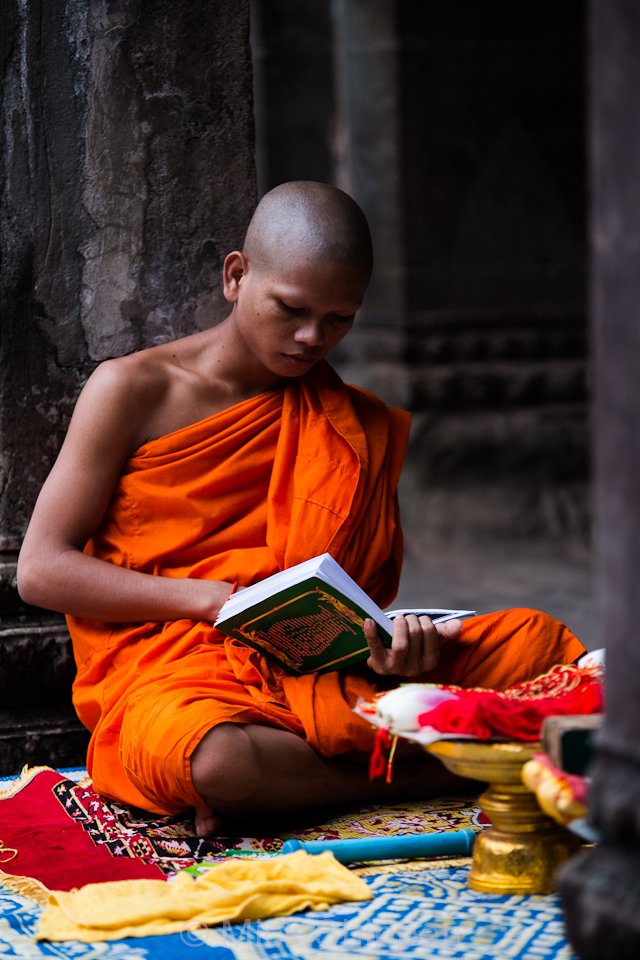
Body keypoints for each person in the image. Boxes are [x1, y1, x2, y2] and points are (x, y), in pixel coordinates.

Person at [17, 181, 585, 836]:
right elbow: (42, 571)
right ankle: (449, 762)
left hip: (320, 672)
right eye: (290, 309)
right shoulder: (132, 390)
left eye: (339, 319)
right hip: (176, 666)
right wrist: (210, 600)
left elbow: (351, 600)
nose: (312, 337)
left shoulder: (353, 421)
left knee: (540, 648)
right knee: (216, 758)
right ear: (237, 276)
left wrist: (394, 655)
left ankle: (316, 777)